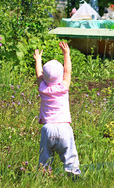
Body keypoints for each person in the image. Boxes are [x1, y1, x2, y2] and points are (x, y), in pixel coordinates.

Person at [33, 42, 81, 176]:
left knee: (45, 157)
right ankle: (73, 174)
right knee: (70, 155)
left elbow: (39, 75)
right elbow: (67, 71)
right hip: (64, 128)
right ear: (60, 77)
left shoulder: (43, 89)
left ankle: (44, 175)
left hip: (48, 128)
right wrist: (66, 54)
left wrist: (38, 59)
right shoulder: (63, 88)